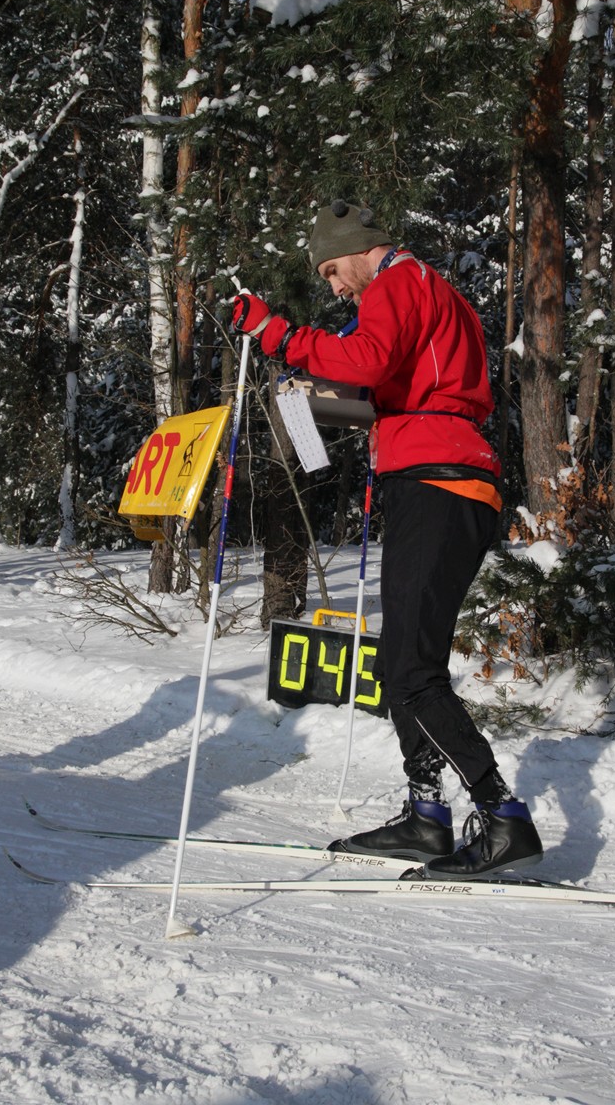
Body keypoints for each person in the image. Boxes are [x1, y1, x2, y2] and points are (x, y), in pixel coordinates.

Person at [232, 199, 542, 879]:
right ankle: (426, 814)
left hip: (439, 481)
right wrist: (310, 400)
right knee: (398, 662)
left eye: (332, 271)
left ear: (357, 247)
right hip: (436, 475)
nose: (335, 288)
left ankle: (502, 816)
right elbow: (394, 390)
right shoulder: (429, 293)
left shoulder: (400, 280)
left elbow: (367, 360)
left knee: (411, 671)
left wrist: (279, 334)